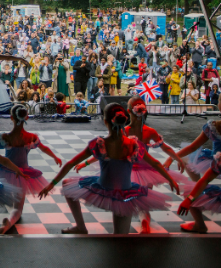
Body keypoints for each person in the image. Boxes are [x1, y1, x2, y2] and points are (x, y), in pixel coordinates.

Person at [39, 103, 179, 234]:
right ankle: (84, 229)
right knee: (120, 237)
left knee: (67, 183)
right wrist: (171, 180)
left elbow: (70, 163)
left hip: (102, 188)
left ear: (105, 121)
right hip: (125, 194)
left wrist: (50, 185)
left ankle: (81, 226)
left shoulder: (100, 144)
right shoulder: (133, 144)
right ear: (123, 121)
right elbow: (155, 163)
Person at [76, 96, 188, 233]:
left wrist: (85, 163)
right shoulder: (144, 131)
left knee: (134, 198)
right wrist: (177, 158)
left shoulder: (125, 131)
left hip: (130, 170)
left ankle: (135, 222)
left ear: (128, 111)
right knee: (141, 199)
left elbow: (106, 152)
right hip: (139, 169)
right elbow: (165, 149)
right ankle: (140, 222)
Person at [0, 105, 62, 234]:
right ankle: (8, 223)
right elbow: (43, 148)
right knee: (18, 209)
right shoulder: (30, 137)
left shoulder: (5, 137)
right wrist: (54, 157)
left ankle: (2, 212)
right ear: (26, 117)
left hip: (4, 171)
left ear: (11, 117)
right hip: (22, 174)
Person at [166, 91, 221, 182]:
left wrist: (172, 157)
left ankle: (197, 186)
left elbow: (192, 147)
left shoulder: (214, 127)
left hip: (218, 165)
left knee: (186, 157)